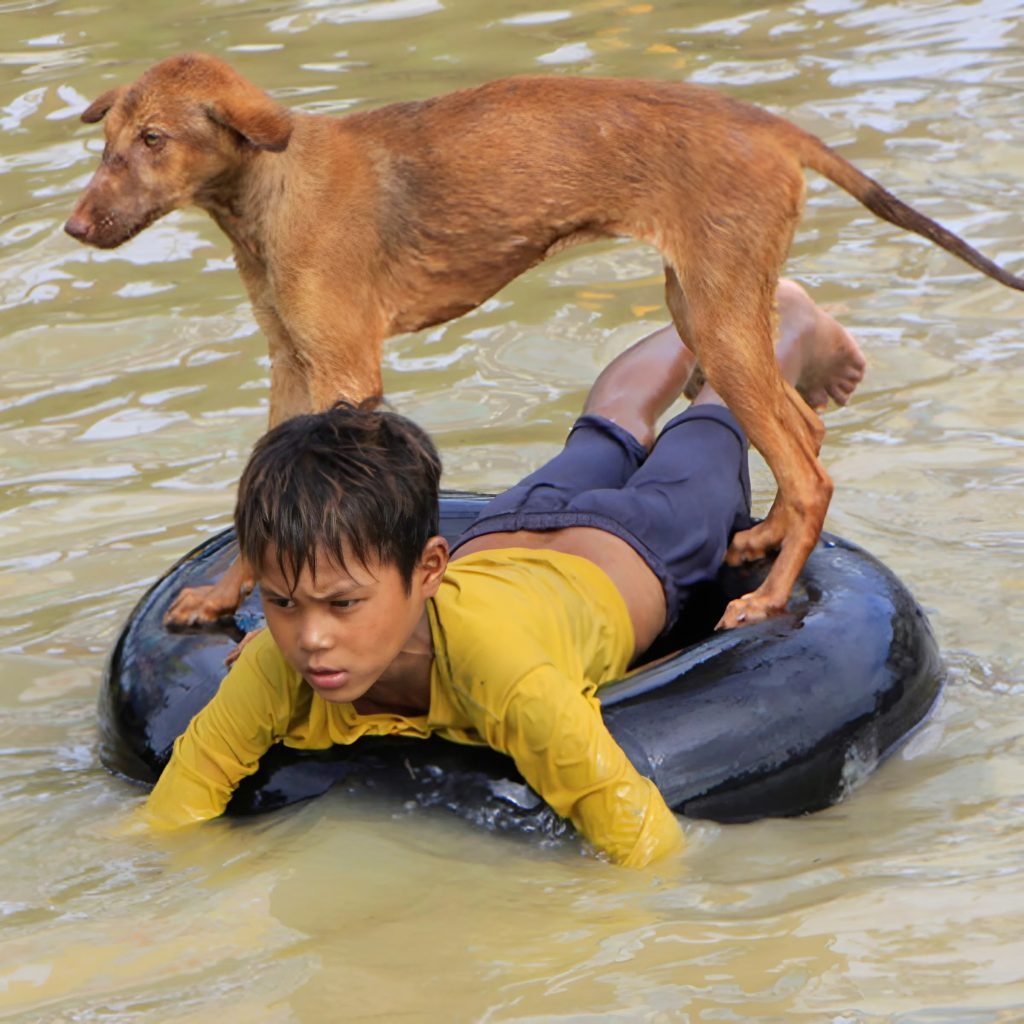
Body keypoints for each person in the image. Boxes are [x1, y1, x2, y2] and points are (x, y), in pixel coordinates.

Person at [143, 281, 866, 867]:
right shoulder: (276, 662)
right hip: (506, 532)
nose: (312, 639)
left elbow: (645, 843)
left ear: (429, 569)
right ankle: (702, 321)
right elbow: (179, 806)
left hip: (640, 549)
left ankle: (787, 322)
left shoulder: (508, 677)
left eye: (342, 604)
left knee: (712, 419)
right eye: (283, 604)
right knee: (608, 422)